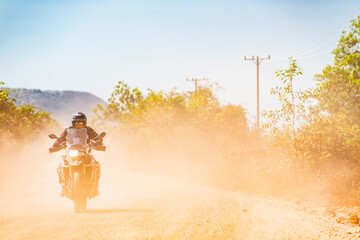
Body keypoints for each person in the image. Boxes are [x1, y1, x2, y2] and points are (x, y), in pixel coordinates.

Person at [53, 112, 102, 196]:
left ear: (84, 123)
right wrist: (55, 145)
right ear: (73, 123)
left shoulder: (88, 129)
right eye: (76, 123)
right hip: (71, 153)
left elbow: (96, 136)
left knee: (96, 164)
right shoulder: (67, 130)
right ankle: (64, 187)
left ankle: (94, 186)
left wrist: (98, 142)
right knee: (62, 164)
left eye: (80, 123)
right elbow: (60, 138)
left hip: (85, 153)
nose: (78, 125)